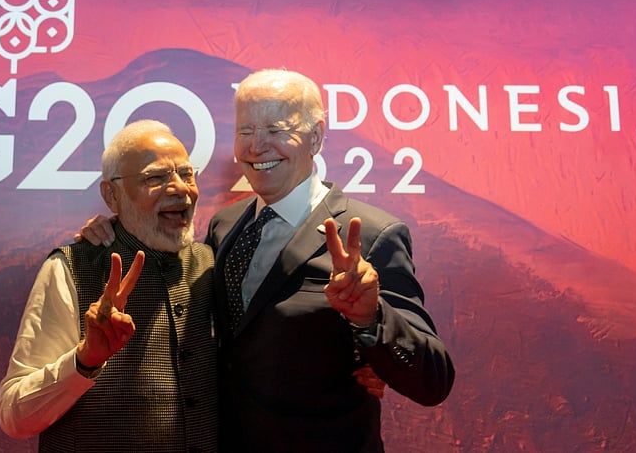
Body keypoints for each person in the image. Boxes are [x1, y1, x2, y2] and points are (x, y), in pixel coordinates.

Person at [81, 69, 455, 452]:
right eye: (246, 130)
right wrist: (115, 225)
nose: (257, 146)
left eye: (276, 130)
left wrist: (372, 320)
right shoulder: (224, 226)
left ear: (316, 137)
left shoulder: (374, 235)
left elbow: (433, 381)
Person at [0, 120, 218, 452]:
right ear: (112, 195)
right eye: (155, 178)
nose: (179, 188)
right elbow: (15, 416)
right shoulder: (72, 267)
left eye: (187, 174)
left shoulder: (211, 263)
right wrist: (85, 360)